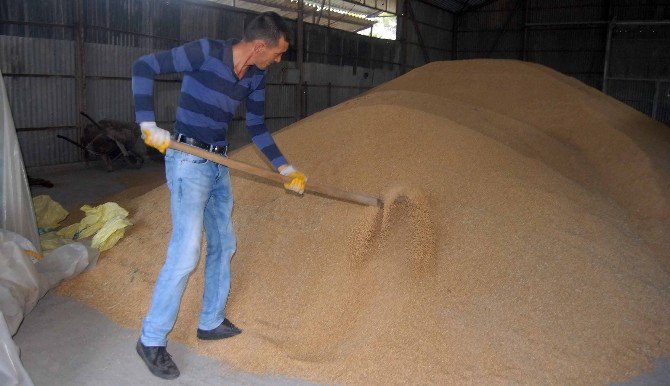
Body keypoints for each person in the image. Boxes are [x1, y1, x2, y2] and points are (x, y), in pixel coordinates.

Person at [130, 12, 306, 380]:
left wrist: (284, 168)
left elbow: (256, 126)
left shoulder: (256, 75)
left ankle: (210, 320)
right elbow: (144, 66)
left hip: (216, 161)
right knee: (186, 250)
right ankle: (151, 339)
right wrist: (147, 123)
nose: (278, 60)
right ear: (261, 46)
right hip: (187, 159)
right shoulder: (205, 53)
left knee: (224, 242)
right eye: (277, 53)